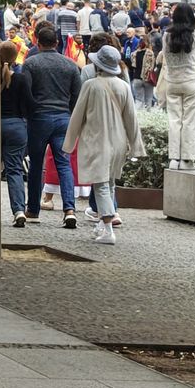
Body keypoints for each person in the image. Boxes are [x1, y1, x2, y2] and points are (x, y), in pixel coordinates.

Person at [67, 44, 139, 244]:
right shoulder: (124, 86)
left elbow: (77, 116)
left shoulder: (91, 85)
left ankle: (108, 228)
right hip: (118, 142)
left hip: (97, 139)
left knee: (100, 184)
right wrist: (135, 145)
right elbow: (131, 118)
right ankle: (102, 223)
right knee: (110, 182)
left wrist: (69, 142)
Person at [21, 22, 83, 227]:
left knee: (36, 164)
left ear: (38, 43)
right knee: (63, 163)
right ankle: (69, 209)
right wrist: (69, 112)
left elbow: (26, 92)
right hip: (63, 117)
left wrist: (30, 112)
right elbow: (77, 95)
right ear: (57, 43)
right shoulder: (70, 65)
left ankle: (32, 209)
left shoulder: (30, 63)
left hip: (39, 118)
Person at [0, 39, 32, 229]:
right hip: (16, 126)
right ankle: (18, 209)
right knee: (15, 169)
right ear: (15, 57)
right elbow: (29, 105)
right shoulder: (21, 79)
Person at [158, 3, 195, 167]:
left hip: (172, 82)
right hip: (192, 81)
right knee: (191, 121)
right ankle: (188, 159)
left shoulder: (167, 35)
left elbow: (165, 54)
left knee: (174, 120)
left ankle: (174, 158)